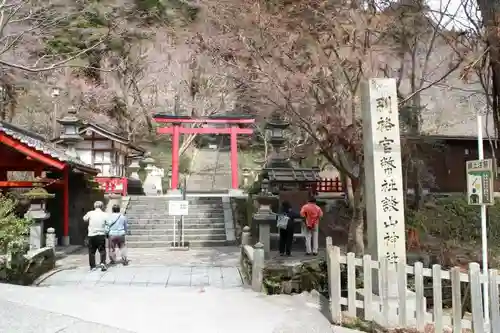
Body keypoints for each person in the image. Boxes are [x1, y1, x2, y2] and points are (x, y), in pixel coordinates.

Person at [83, 201, 108, 271]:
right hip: (101, 234)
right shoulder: (105, 214)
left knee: (91, 251)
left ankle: (93, 266)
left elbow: (84, 219)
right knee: (102, 250)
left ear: (94, 206)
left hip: (92, 234)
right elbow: (108, 222)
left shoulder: (90, 213)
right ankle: (103, 262)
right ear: (102, 206)